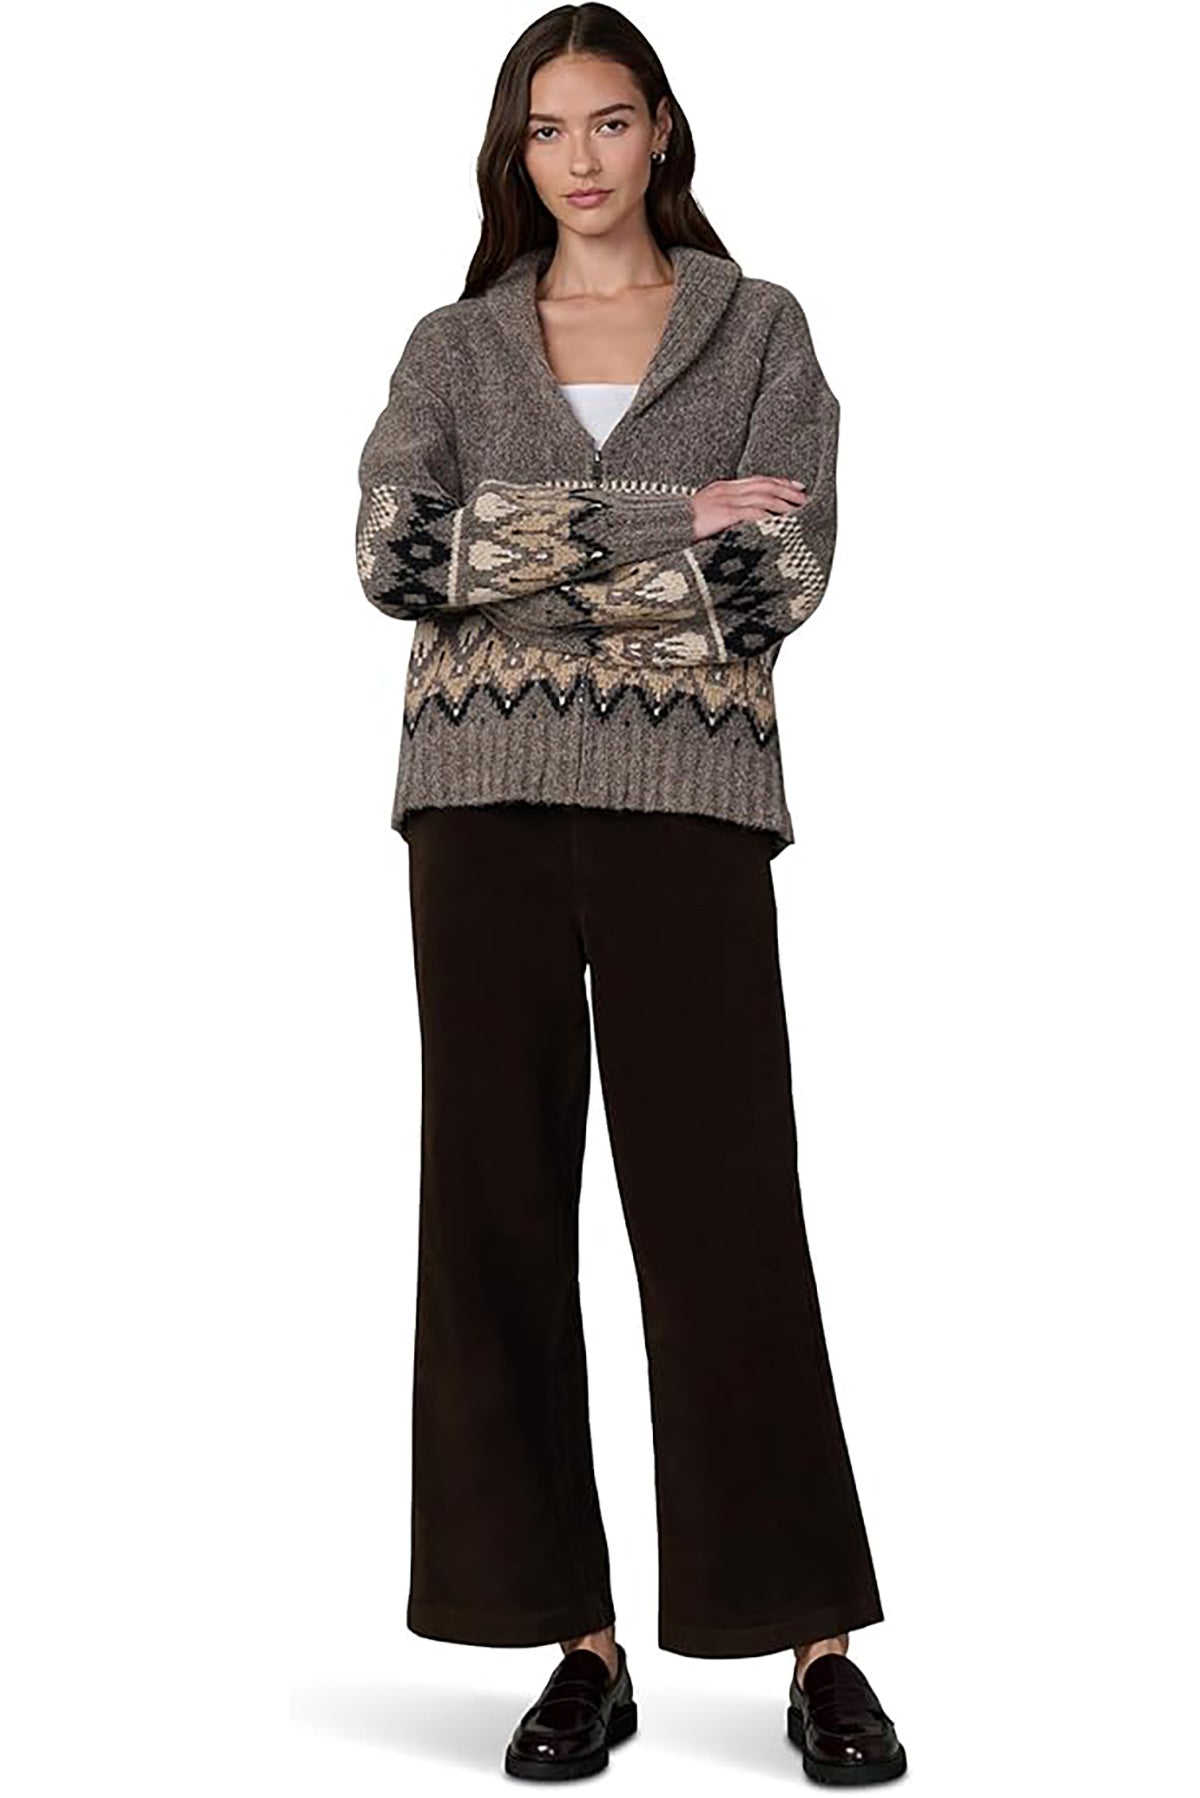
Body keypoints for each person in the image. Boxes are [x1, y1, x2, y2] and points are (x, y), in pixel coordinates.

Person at [354, 5, 907, 1785]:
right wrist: (659, 523)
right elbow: (392, 553)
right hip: (481, 806)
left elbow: (777, 579)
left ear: (662, 128)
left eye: (607, 121)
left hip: (689, 807)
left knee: (725, 1203)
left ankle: (814, 1640)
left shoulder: (761, 329)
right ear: (513, 153)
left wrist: (519, 559)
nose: (578, 159)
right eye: (545, 129)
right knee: (494, 1208)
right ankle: (572, 1639)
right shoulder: (453, 343)